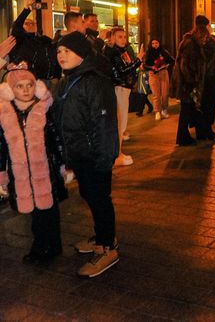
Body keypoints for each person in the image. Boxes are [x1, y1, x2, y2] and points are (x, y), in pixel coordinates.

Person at [52, 32, 120, 276]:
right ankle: (101, 237)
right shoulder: (68, 80)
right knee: (90, 195)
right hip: (79, 153)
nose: (61, 56)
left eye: (67, 51)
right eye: (59, 51)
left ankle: (107, 247)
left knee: (99, 198)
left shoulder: (94, 81)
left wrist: (103, 158)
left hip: (94, 154)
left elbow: (103, 124)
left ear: (81, 53)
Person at [0, 63, 67, 264]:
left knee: (50, 212)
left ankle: (52, 246)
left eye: (29, 85)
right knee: (35, 214)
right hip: (22, 175)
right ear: (11, 90)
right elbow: (1, 147)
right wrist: (1, 174)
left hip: (47, 172)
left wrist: (64, 165)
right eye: (20, 86)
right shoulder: (6, 114)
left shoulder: (43, 108)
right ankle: (40, 245)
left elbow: (57, 139)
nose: (26, 90)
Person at [171, 16, 215, 145]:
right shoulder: (190, 43)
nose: (206, 37)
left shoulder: (198, 43)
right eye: (205, 34)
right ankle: (183, 138)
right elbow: (185, 65)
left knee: (197, 109)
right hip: (188, 84)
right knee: (186, 111)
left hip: (196, 83)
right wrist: (192, 82)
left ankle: (202, 133)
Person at [104, 28, 144, 166]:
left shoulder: (121, 51)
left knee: (121, 123)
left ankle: (118, 152)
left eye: (124, 37)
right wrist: (138, 60)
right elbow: (122, 72)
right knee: (119, 123)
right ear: (113, 38)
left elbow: (126, 68)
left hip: (123, 88)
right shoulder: (113, 52)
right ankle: (117, 155)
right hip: (119, 88)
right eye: (120, 37)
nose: (123, 39)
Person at [9, 4, 60, 84]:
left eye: (32, 23)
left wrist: (57, 76)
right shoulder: (20, 40)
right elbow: (17, 26)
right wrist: (26, 11)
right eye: (26, 23)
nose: (30, 25)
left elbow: (55, 55)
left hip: (48, 82)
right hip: (26, 82)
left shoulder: (45, 40)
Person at [144, 39, 174, 120]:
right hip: (153, 74)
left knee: (165, 93)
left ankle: (164, 109)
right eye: (153, 43)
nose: (155, 45)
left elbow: (172, 61)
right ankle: (157, 111)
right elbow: (144, 65)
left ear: (159, 43)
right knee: (156, 94)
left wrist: (166, 65)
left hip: (163, 73)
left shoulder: (164, 52)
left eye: (156, 43)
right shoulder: (148, 53)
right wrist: (151, 67)